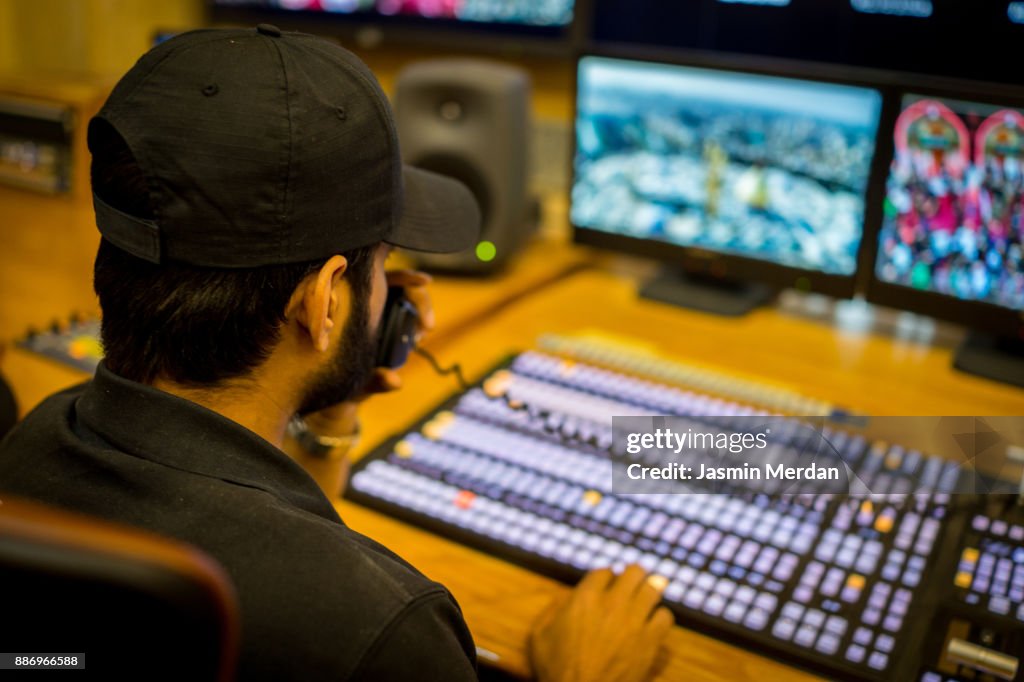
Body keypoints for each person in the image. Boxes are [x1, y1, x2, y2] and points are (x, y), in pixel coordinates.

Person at [0, 26, 673, 682]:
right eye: (382, 265)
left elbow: (268, 522)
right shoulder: (384, 632)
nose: (393, 289)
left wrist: (330, 410)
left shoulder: (30, 446)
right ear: (324, 302)